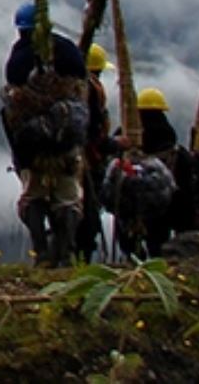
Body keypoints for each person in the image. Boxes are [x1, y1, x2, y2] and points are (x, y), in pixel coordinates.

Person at [3, 3, 89, 267]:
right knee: (69, 197)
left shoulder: (18, 60)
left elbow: (12, 105)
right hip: (67, 142)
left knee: (32, 195)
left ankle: (41, 251)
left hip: (32, 147)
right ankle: (66, 251)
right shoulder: (68, 52)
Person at [135, 87, 195, 254]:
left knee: (152, 241)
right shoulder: (172, 144)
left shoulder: (131, 138)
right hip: (170, 203)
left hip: (143, 207)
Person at [77, 44, 115, 262]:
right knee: (89, 212)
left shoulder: (68, 87)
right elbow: (94, 133)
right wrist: (113, 145)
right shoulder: (91, 92)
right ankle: (82, 254)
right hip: (88, 160)